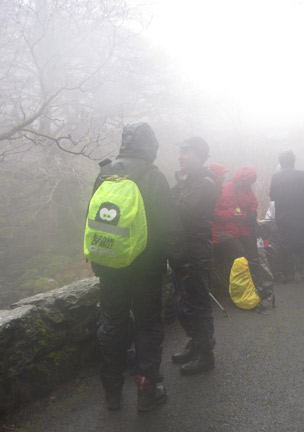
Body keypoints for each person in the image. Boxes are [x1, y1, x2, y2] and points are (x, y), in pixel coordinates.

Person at [90, 123, 188, 412]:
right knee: (147, 325)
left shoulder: (105, 172)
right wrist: (181, 266)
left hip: (109, 264)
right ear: (151, 146)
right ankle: (147, 391)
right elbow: (170, 227)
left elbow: (94, 218)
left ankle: (112, 392)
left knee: (113, 325)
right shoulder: (152, 175)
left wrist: (97, 260)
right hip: (146, 266)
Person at [171, 136, 219, 376]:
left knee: (199, 304)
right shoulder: (186, 181)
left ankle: (205, 354)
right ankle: (195, 342)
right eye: (180, 151)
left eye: (186, 152)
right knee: (184, 302)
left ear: (199, 156)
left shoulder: (205, 183)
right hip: (181, 250)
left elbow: (183, 212)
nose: (180, 156)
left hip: (196, 252)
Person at [269, 150, 304, 283]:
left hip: (282, 215)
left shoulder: (276, 177)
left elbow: (272, 196)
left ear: (280, 162)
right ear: (293, 161)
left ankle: (288, 273)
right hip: (300, 214)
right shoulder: (301, 175)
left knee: (285, 243)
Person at [212, 166, 260, 285]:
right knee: (240, 255)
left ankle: (251, 282)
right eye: (222, 175)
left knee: (250, 252)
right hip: (228, 228)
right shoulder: (229, 187)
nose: (224, 177)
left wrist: (252, 212)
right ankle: (239, 285)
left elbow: (253, 201)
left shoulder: (245, 187)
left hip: (236, 225)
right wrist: (243, 216)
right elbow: (231, 209)